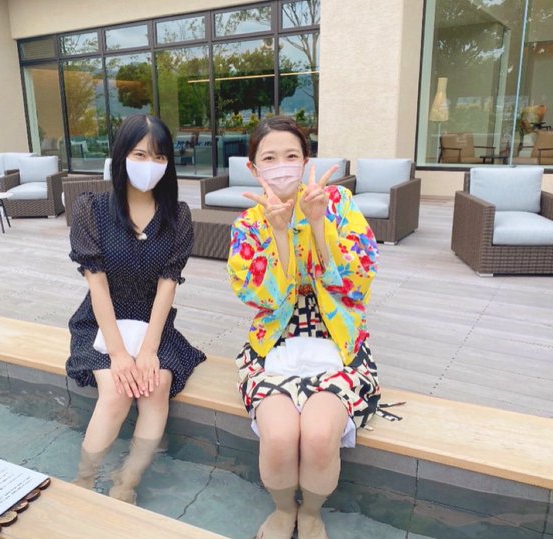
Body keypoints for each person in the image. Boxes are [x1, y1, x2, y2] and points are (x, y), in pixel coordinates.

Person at [227, 116, 380, 539]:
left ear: (306, 161)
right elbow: (260, 298)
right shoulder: (248, 224)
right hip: (274, 343)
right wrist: (279, 233)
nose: (281, 166)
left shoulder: (339, 205)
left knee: (317, 435)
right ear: (253, 168)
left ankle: (311, 512)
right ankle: (283, 510)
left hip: (338, 341)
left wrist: (317, 224)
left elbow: (357, 282)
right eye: (269, 158)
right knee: (278, 437)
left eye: (291, 155)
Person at [66, 114, 206, 503]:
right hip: (100, 322)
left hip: (152, 323)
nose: (150, 164)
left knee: (155, 385)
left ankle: (126, 481)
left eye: (159, 157)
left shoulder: (177, 216)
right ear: (121, 156)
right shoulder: (92, 209)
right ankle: (84, 480)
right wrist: (118, 354)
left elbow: (168, 285)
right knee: (115, 389)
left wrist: (147, 351)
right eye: (140, 154)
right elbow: (96, 283)